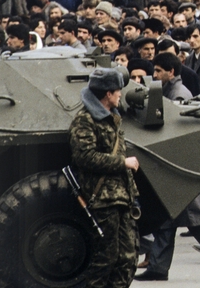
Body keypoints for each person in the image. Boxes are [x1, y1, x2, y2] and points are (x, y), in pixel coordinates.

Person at [135, 55, 200, 282]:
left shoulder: (179, 95)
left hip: (180, 172)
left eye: (159, 70)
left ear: (171, 72)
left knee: (197, 224)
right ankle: (158, 268)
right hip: (175, 173)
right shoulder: (169, 92)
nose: (155, 74)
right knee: (167, 222)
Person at [69, 68, 140, 288]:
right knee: (105, 259)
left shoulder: (112, 117)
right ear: (108, 94)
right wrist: (123, 163)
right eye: (118, 91)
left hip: (121, 196)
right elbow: (85, 157)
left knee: (127, 258)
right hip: (103, 198)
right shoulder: (85, 120)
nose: (121, 95)